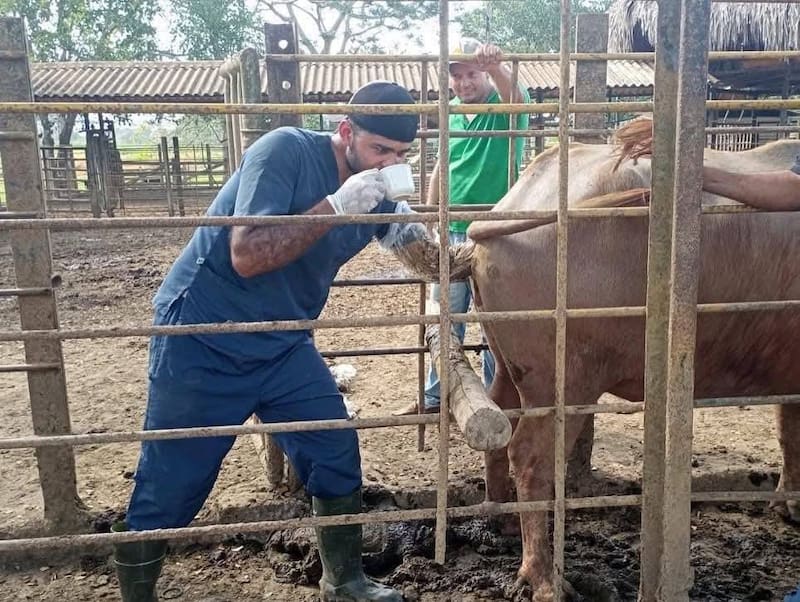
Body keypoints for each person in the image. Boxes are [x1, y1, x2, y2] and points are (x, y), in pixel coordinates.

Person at [110, 81, 437, 602]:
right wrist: (336, 206)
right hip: (205, 333)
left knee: (333, 449)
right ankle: (137, 592)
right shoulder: (284, 151)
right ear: (346, 131)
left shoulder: (377, 188)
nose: (389, 164)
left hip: (284, 342)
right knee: (174, 481)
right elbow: (247, 255)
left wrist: (425, 239)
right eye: (380, 149)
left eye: (401, 155)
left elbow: (419, 249)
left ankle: (344, 582)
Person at [395, 38, 530, 416]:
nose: (464, 82)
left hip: (495, 231)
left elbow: (518, 99)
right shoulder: (451, 112)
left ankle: (494, 398)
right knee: (445, 317)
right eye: (457, 76)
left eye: (472, 73)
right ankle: (436, 395)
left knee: (493, 324)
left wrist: (497, 67)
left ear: (483, 74)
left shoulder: (502, 107)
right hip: (452, 228)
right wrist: (430, 212)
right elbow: (443, 164)